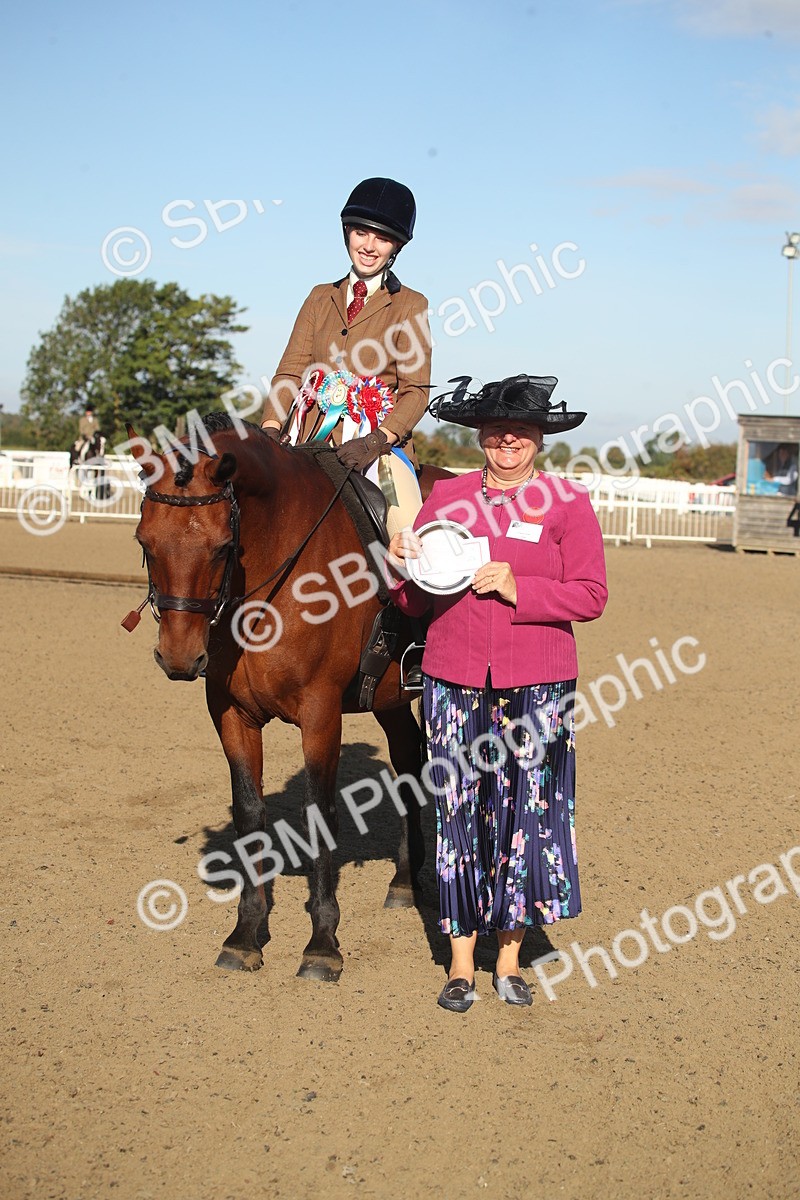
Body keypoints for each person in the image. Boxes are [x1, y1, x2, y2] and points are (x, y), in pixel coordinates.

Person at [387, 374, 608, 1012]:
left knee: (526, 817)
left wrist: (521, 589)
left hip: (539, 683)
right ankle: (460, 966)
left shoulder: (568, 502)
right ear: (480, 436)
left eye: (519, 432)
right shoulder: (450, 497)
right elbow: (415, 596)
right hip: (453, 678)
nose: (506, 440)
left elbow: (592, 596)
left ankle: (509, 960)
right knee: (457, 813)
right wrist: (403, 562)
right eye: (495, 430)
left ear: (539, 439)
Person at [260, 177, 431, 536]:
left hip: (376, 452)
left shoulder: (411, 305)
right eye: (361, 234)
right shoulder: (319, 297)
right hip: (306, 440)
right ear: (347, 233)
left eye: (382, 238)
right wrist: (271, 429)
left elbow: (416, 391)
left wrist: (376, 440)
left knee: (407, 535)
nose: (369, 246)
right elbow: (290, 373)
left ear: (395, 246)